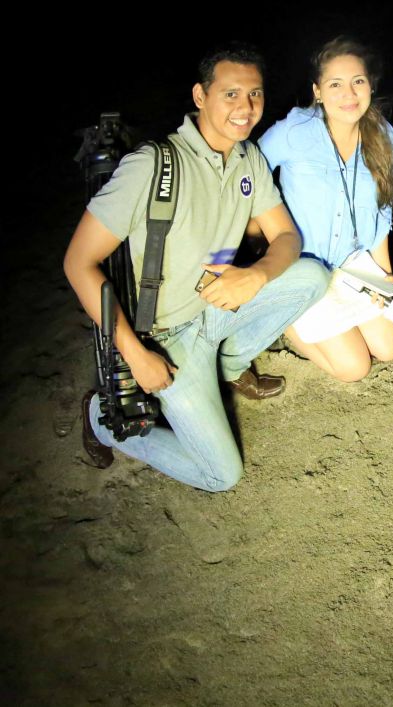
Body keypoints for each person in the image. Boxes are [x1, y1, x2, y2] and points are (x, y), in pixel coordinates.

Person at [64, 43, 327, 491]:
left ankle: (230, 364)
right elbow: (77, 263)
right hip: (167, 339)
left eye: (255, 94)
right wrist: (136, 355)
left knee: (313, 277)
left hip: (213, 306)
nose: (246, 108)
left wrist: (256, 275)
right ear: (200, 96)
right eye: (231, 94)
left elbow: (287, 238)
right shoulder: (154, 165)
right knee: (221, 475)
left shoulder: (248, 159)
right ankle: (100, 419)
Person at [259, 38, 393, 382]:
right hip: (303, 266)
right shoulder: (294, 132)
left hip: (353, 262)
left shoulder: (383, 134)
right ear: (318, 91)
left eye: (357, 81)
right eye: (335, 84)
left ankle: (340, 319)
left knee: (389, 349)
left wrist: (383, 279)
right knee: (354, 368)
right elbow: (248, 177)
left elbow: (381, 214)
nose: (349, 93)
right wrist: (268, 236)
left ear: (370, 85)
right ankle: (286, 320)